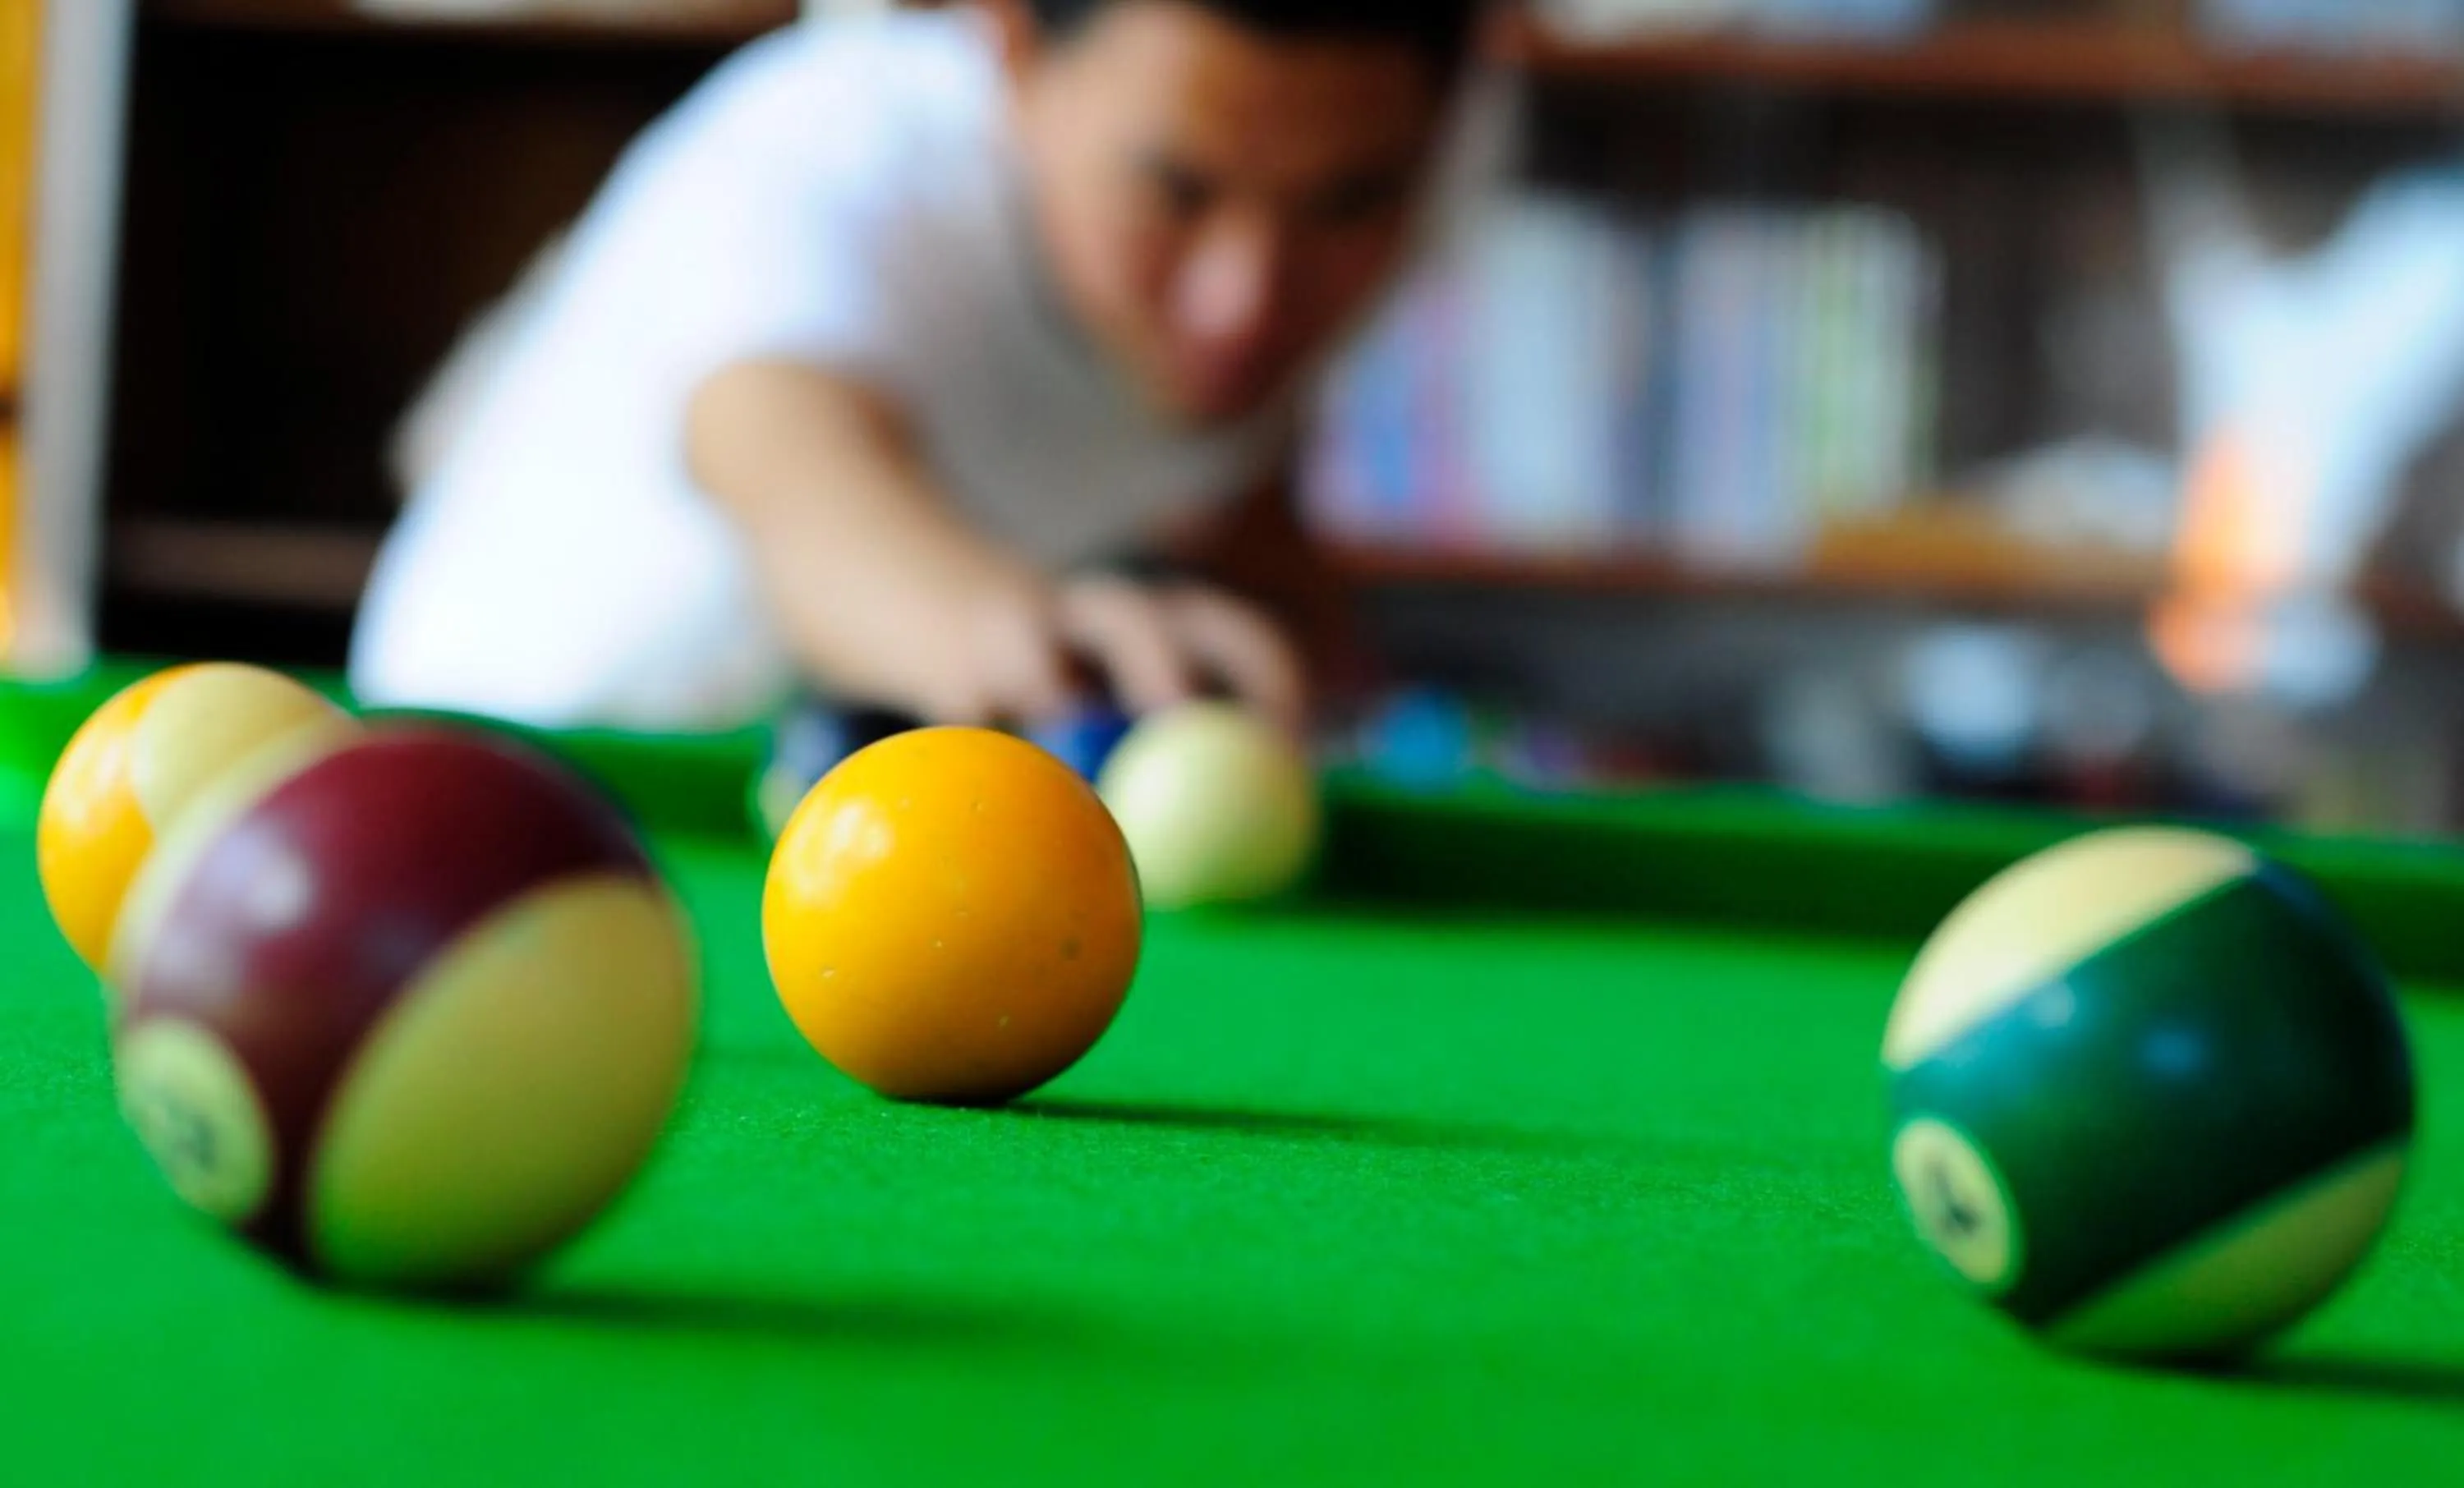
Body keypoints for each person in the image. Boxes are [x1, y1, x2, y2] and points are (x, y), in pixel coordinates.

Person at [351, 0, 1498, 736]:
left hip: (860, 787)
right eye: (1175, 191)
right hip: (515, 779)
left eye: (1347, 204)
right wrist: (1024, 640)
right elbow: (795, 477)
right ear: (1010, 48)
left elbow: (1229, 467)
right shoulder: (825, 145)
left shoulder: (1414, 165)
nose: (1243, 300)